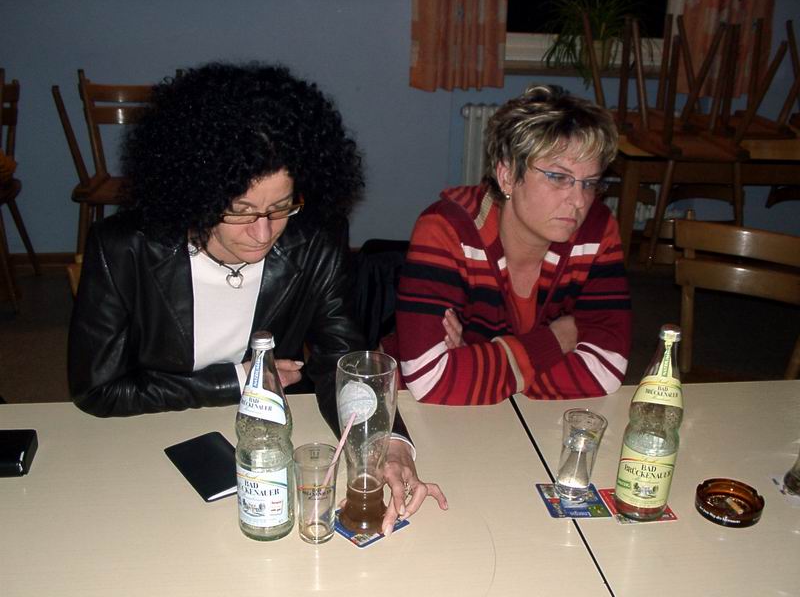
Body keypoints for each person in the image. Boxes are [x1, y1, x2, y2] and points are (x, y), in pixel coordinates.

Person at [68, 62, 446, 533]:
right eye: (240, 210)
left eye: (280, 207)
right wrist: (240, 380)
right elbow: (98, 389)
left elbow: (340, 361)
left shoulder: (314, 239)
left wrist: (385, 444)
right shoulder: (123, 249)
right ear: (195, 195)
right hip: (147, 446)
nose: (264, 233)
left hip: (272, 450)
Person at [390, 85, 632, 405]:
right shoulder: (446, 228)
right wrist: (556, 341)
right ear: (506, 176)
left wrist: (477, 365)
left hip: (520, 413)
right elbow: (429, 378)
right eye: (558, 177)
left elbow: (606, 368)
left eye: (589, 183)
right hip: (412, 411)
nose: (578, 201)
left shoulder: (597, 229)